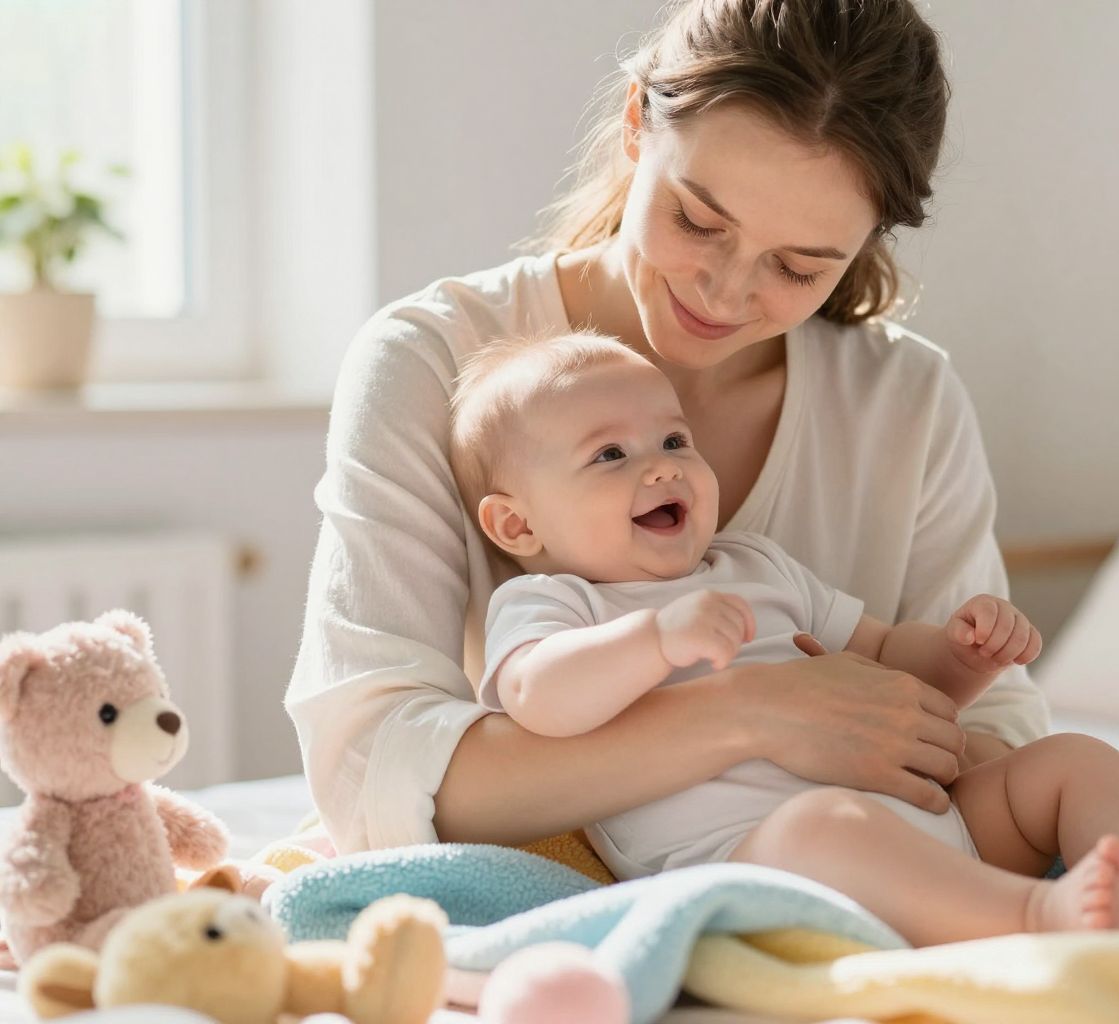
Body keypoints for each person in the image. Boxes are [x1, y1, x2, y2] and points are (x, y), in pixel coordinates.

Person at [286, 0, 1052, 859]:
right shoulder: (433, 358)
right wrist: (752, 714)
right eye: (697, 221)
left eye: (798, 267)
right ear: (634, 124)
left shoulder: (906, 401)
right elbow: (372, 770)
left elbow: (1000, 724)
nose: (723, 295)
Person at [443, 331, 1119, 942]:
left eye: (673, 439)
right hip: (759, 861)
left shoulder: (756, 564)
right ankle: (1033, 919)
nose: (662, 465)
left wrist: (961, 657)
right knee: (823, 822)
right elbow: (540, 700)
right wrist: (655, 643)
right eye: (610, 456)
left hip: (933, 821)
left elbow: (889, 659)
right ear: (517, 524)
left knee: (1071, 762)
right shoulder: (553, 604)